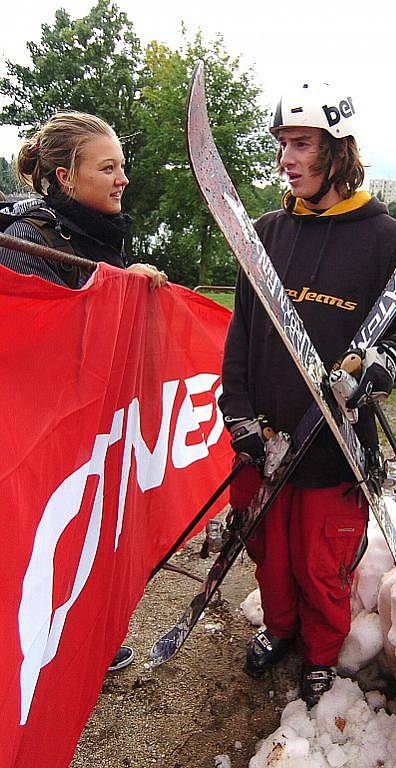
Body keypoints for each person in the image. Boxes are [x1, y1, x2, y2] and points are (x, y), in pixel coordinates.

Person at [219, 83, 396, 708]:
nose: (287, 158)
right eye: (283, 144)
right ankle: (281, 629)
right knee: (268, 549)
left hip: (336, 441)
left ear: (337, 151)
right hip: (266, 435)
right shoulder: (264, 232)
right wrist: (237, 414)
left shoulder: (385, 239)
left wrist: (381, 366)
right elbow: (242, 330)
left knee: (320, 560)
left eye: (302, 144)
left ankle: (319, 652)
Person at [0, 111, 167, 671]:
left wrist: (129, 288)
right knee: (34, 540)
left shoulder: (97, 235)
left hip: (87, 417)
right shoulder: (29, 237)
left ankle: (78, 639)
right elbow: (33, 342)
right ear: (65, 177)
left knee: (88, 530)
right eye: (108, 167)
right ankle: (38, 656)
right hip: (35, 425)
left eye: (122, 166)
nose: (123, 178)